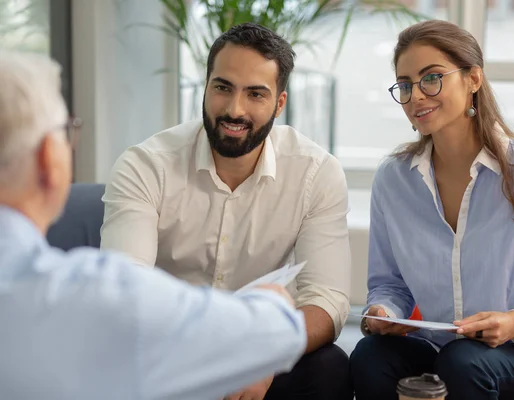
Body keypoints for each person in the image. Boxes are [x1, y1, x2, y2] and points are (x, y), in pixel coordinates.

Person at [0, 50, 308, 400]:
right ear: (49, 159)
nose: (235, 109)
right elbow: (276, 333)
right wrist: (272, 300)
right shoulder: (92, 295)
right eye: (67, 133)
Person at [100, 23, 352, 400]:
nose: (235, 109)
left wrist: (261, 354)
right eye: (223, 88)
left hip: (260, 340)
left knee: (328, 366)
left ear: (279, 103)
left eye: (255, 94)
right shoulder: (145, 166)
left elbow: (327, 300)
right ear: (205, 87)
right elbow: (125, 292)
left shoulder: (316, 172)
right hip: (168, 344)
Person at [349, 19, 514, 400]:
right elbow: (390, 284)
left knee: (465, 361)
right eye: (404, 84)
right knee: (370, 355)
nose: (416, 95)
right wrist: (383, 311)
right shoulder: (392, 179)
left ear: (474, 79)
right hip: (444, 350)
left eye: (431, 78)